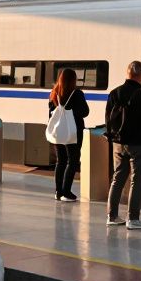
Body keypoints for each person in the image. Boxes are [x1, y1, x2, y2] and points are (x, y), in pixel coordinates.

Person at [104, 61, 141, 229]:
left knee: (118, 178)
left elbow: (108, 117)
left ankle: (112, 216)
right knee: (136, 180)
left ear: (127, 73)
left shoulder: (114, 93)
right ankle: (133, 218)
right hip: (138, 143)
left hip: (118, 142)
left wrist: (111, 136)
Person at [47, 68, 89, 201]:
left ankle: (58, 192)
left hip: (59, 132)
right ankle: (66, 192)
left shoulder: (54, 93)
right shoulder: (77, 94)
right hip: (73, 133)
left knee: (61, 161)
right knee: (73, 161)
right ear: (73, 80)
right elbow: (85, 112)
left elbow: (51, 113)